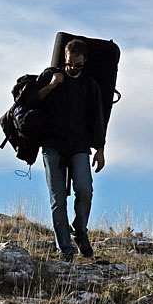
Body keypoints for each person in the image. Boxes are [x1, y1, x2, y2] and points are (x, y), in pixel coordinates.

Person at [31, 38, 106, 261]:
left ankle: (80, 231)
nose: (73, 68)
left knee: (85, 190)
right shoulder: (50, 76)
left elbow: (97, 119)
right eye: (70, 64)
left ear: (85, 62)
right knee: (58, 199)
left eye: (78, 65)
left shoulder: (90, 86)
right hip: (52, 145)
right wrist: (53, 84)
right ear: (65, 58)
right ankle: (65, 249)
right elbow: (33, 101)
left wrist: (100, 149)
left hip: (80, 146)